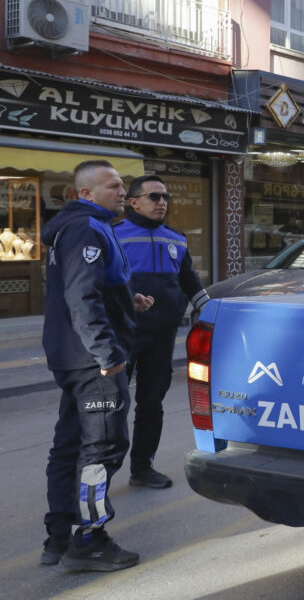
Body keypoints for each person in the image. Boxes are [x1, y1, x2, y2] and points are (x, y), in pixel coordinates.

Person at [41, 160, 154, 572]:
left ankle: (58, 536)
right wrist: (107, 355)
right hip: (93, 361)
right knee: (102, 450)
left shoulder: (81, 227)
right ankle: (89, 540)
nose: (123, 192)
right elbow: (81, 296)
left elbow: (90, 288)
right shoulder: (87, 228)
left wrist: (129, 300)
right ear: (86, 193)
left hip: (73, 356)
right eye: (113, 186)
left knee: (71, 446)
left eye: (123, 186)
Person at [113, 175, 209, 489]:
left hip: (162, 336)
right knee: (112, 403)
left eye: (165, 197)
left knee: (151, 404)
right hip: (122, 334)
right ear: (133, 202)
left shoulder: (176, 239)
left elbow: (190, 282)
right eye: (154, 196)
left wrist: (209, 309)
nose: (162, 202)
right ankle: (101, 471)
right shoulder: (113, 235)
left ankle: (142, 468)